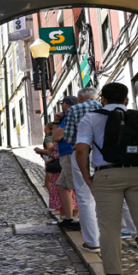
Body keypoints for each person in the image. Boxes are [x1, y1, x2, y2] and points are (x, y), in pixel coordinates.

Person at [74, 83, 138, 275]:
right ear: (126, 99)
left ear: (102, 99)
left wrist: (87, 177)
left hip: (106, 174)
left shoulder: (91, 118)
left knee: (109, 226)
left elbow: (81, 150)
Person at [54, 88, 103, 251]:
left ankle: (93, 241)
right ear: (97, 97)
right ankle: (125, 231)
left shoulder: (74, 110)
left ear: (80, 98)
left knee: (84, 196)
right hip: (104, 154)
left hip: (80, 153)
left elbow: (66, 137)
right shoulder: (104, 107)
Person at [51, 97, 81, 231]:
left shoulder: (69, 115)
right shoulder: (69, 115)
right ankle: (68, 219)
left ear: (65, 105)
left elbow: (56, 137)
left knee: (76, 187)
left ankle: (82, 220)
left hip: (69, 154)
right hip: (66, 154)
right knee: (61, 186)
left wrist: (57, 121)